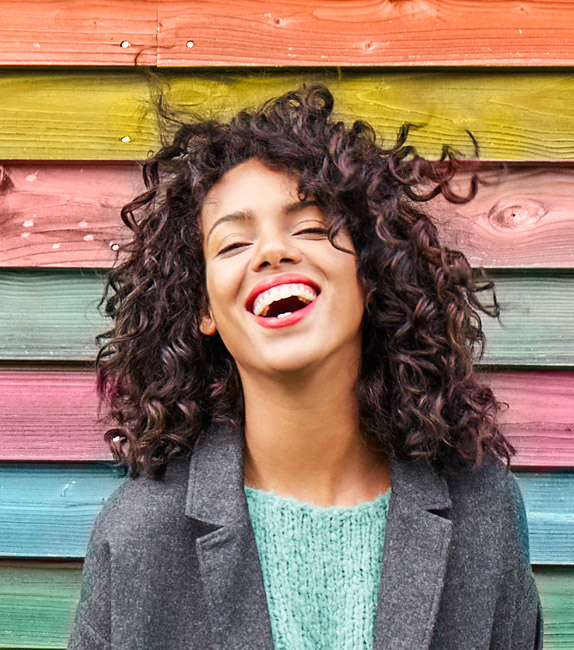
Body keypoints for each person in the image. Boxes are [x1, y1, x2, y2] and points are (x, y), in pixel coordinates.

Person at [67, 84, 543, 649]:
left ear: (370, 271)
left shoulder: (485, 511)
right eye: (232, 244)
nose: (272, 251)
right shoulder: (138, 534)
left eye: (312, 228)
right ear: (203, 308)